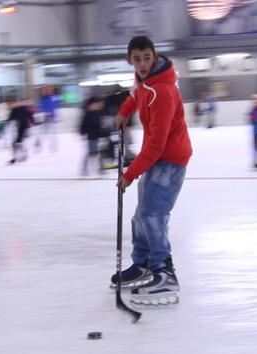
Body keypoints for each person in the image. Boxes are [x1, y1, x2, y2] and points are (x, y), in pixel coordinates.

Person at [110, 36, 193, 306]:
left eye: (147, 58)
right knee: (141, 215)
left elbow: (156, 145)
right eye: (137, 59)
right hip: (158, 158)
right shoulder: (145, 82)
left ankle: (164, 272)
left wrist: (129, 174)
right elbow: (136, 96)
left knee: (153, 215)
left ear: (155, 57)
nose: (143, 64)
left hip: (169, 159)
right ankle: (143, 264)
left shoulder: (164, 91)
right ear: (129, 61)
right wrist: (124, 112)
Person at [79, 95, 106, 176]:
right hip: (91, 137)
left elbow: (100, 126)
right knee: (91, 153)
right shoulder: (87, 114)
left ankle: (101, 168)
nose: (98, 106)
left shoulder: (98, 113)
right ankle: (84, 169)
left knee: (98, 153)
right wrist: (82, 132)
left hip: (97, 136)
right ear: (90, 105)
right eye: (96, 104)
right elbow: (83, 125)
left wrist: (103, 134)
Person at [7, 97, 35, 165]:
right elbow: (10, 118)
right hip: (20, 128)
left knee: (17, 142)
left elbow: (29, 115)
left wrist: (33, 121)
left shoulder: (20, 109)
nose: (10, 105)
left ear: (14, 103)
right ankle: (20, 156)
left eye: (10, 103)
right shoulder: (16, 109)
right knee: (18, 142)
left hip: (23, 127)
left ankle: (17, 157)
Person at [36, 86, 59, 153]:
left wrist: (53, 116)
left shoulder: (53, 98)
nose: (46, 92)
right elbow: (39, 108)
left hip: (51, 117)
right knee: (43, 132)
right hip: (44, 117)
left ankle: (53, 147)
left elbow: (54, 108)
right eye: (44, 91)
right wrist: (43, 114)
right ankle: (39, 145)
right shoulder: (41, 100)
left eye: (48, 90)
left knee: (52, 133)